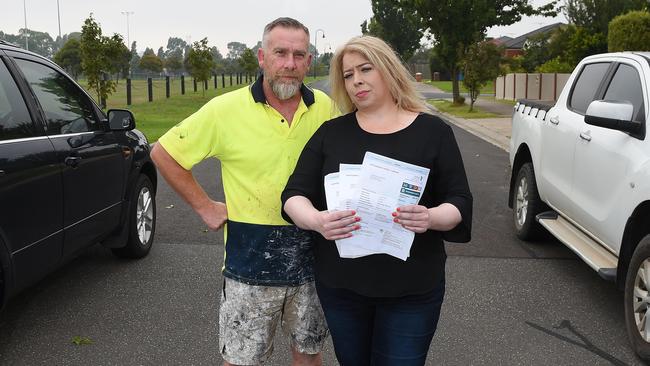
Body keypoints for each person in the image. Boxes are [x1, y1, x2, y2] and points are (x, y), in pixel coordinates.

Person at [151, 17, 337, 366]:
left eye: (299, 55)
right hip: (250, 260)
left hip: (314, 257)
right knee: (242, 361)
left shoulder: (325, 108)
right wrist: (205, 207)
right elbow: (164, 153)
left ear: (309, 62)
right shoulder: (226, 109)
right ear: (261, 57)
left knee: (309, 354)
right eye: (280, 52)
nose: (289, 64)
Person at [281, 35, 473, 366]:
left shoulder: (433, 132)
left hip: (412, 289)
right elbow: (293, 195)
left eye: (365, 69)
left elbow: (458, 201)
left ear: (387, 69)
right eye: (348, 75)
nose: (357, 81)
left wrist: (430, 217)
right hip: (342, 288)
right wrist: (316, 220)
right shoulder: (332, 133)